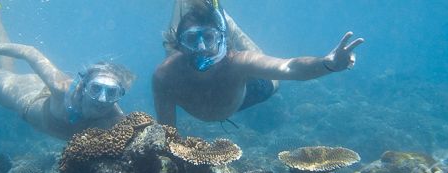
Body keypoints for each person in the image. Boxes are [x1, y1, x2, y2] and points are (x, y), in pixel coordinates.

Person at [153, 0, 365, 127]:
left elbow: (288, 67)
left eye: (209, 38)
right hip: (184, 61)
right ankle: (210, 17)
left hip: (249, 94)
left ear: (221, 41)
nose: (201, 48)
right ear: (180, 45)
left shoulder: (238, 62)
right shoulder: (165, 75)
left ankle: (224, 21)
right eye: (191, 40)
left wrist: (326, 64)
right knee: (179, 34)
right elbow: (167, 132)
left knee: (273, 80)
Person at [0, 0, 135, 140]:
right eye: (96, 89)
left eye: (112, 93)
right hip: (26, 96)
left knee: (9, 71)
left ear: (119, 94)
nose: (102, 99)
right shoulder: (62, 87)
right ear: (84, 87)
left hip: (40, 95)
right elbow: (30, 52)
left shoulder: (113, 110)